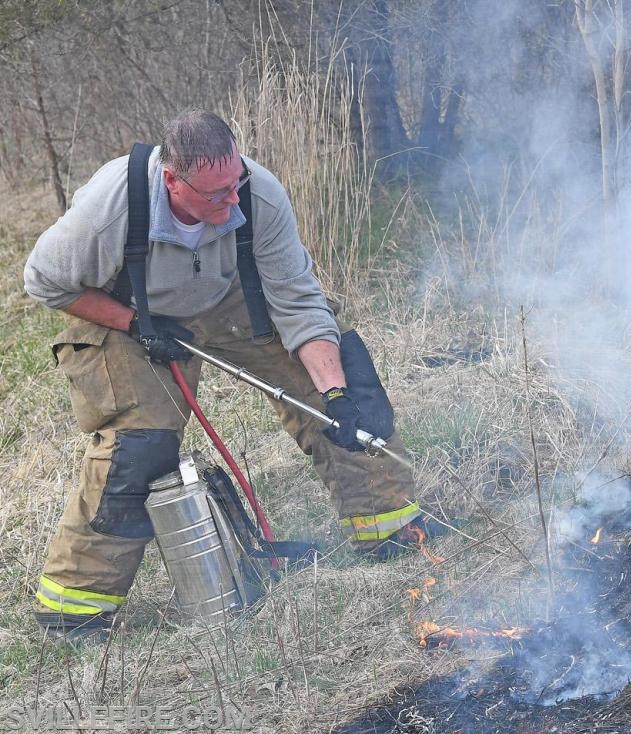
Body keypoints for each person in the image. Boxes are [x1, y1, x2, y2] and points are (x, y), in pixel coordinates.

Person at [24, 110, 434, 642]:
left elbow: (299, 302)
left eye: (235, 184)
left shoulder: (256, 194)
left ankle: (389, 527)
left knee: (342, 387)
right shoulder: (114, 206)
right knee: (140, 446)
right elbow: (45, 282)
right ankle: (73, 608)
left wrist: (335, 392)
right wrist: (135, 323)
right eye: (217, 195)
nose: (233, 202)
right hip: (130, 312)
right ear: (173, 180)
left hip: (228, 299)